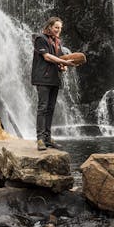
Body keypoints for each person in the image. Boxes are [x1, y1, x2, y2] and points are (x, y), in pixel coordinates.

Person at [31, 17, 76, 151]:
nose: (58, 30)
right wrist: (64, 62)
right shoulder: (40, 39)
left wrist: (64, 66)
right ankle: (40, 139)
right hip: (43, 78)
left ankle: (47, 138)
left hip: (54, 79)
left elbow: (60, 59)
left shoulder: (57, 42)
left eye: (60, 28)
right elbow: (47, 57)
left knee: (50, 109)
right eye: (56, 27)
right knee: (43, 107)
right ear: (49, 27)